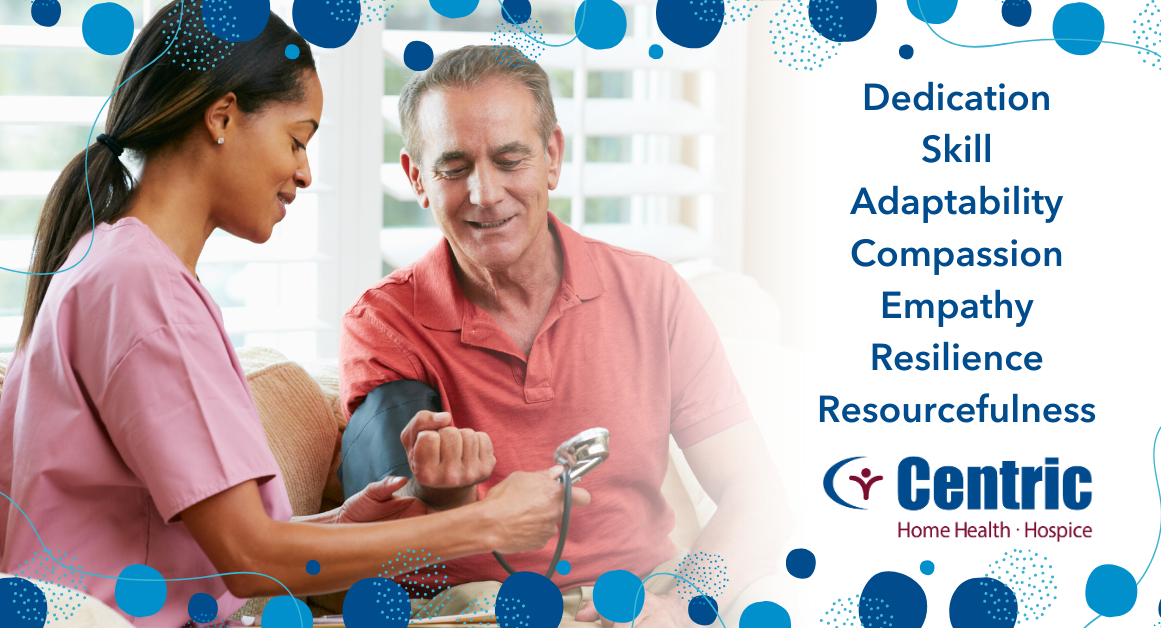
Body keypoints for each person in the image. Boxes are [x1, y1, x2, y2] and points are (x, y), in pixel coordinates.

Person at [0, 7, 586, 626]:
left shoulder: (112, 263)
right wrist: (483, 522)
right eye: (297, 139)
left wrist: (340, 525)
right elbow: (250, 559)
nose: (305, 172)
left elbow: (203, 544)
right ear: (222, 117)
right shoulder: (141, 288)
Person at [339, 45, 793, 627]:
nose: (484, 193)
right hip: (479, 610)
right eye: (454, 167)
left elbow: (755, 494)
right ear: (417, 178)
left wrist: (681, 606)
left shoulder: (650, 291)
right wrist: (445, 497)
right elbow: (383, 559)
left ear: (552, 156)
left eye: (510, 159)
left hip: (647, 599)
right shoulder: (384, 324)